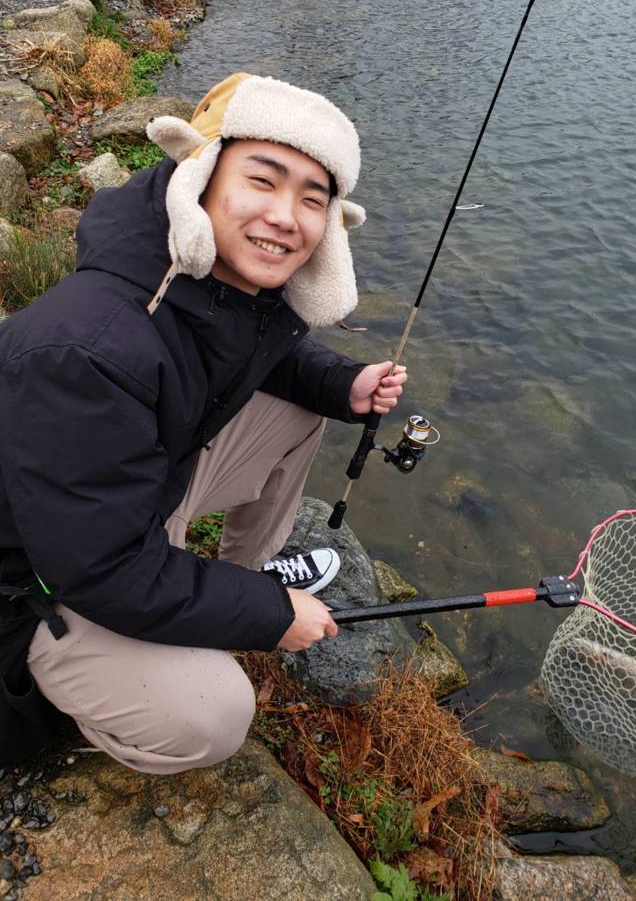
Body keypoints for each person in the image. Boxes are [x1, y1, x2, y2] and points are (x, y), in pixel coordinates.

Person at [0, 72, 407, 773]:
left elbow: (262, 351)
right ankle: (95, 681)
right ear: (202, 174)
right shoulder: (87, 348)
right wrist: (272, 616)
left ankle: (240, 578)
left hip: (117, 512)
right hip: (31, 579)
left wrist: (348, 385)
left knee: (302, 408)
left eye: (313, 199)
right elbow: (99, 569)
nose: (286, 216)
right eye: (263, 180)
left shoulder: (208, 273)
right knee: (212, 717)